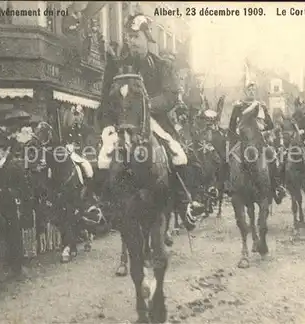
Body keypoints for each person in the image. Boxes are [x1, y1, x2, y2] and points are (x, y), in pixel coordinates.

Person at [97, 13, 205, 218]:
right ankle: (100, 208)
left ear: (147, 38)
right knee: (103, 156)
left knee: (179, 153)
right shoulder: (116, 66)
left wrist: (146, 105)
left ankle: (186, 203)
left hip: (154, 122)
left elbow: (170, 95)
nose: (131, 41)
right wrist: (109, 122)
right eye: (128, 36)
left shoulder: (161, 65)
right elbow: (105, 99)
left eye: (136, 36)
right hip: (121, 122)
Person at [227, 82, 286, 204]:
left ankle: (276, 187)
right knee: (231, 158)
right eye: (249, 90)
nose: (252, 92)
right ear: (245, 91)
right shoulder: (238, 107)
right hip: (242, 141)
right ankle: (230, 187)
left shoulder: (261, 106)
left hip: (259, 140)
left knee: (272, 156)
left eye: (254, 89)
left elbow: (269, 124)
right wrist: (236, 136)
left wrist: (265, 131)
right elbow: (231, 127)